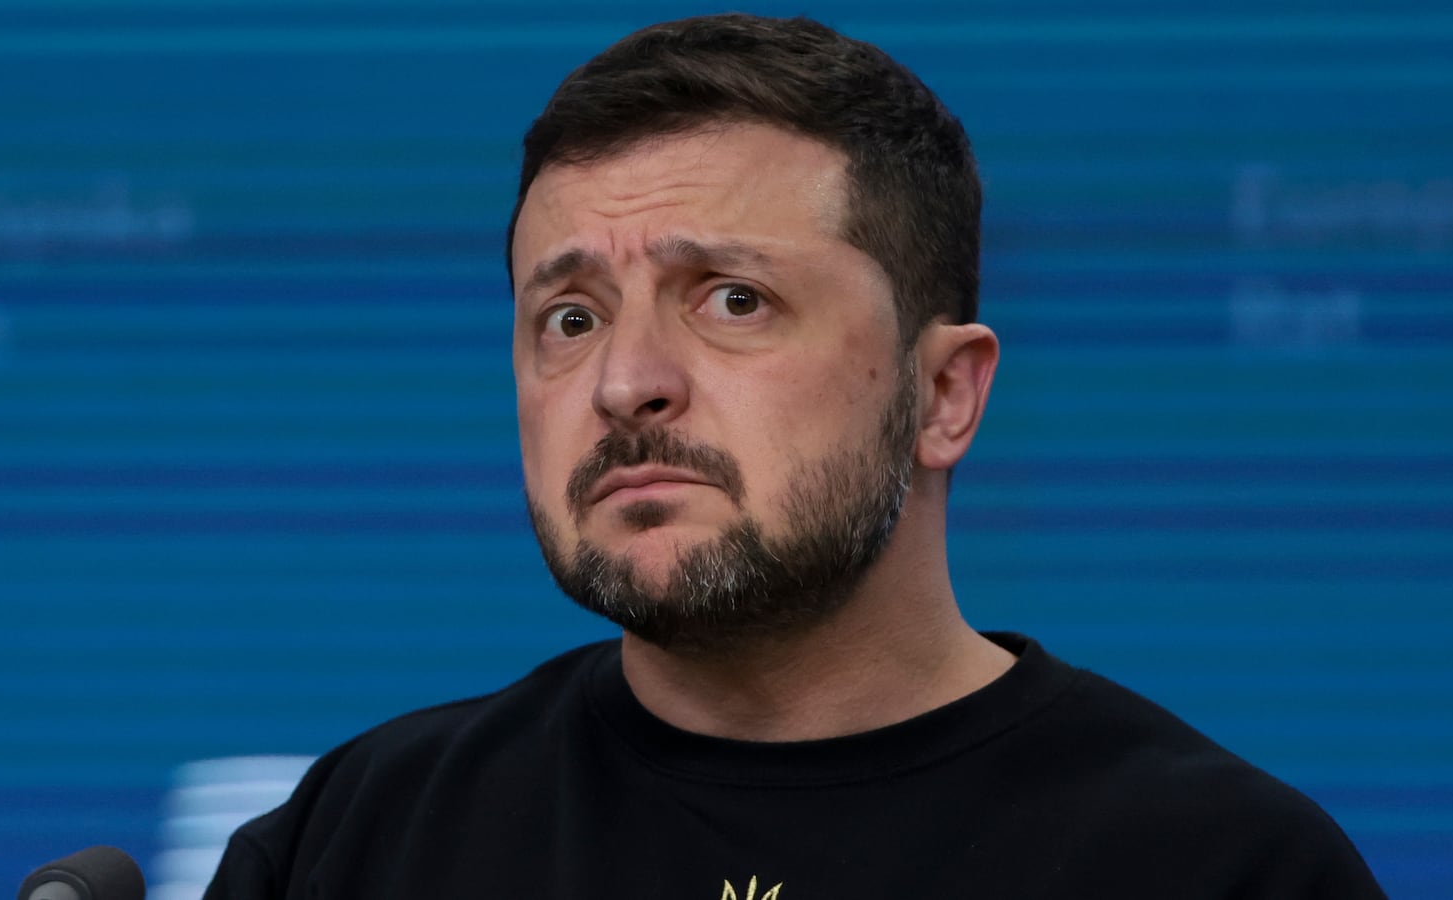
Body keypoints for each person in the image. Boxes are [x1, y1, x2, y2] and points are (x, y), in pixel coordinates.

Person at [205, 14, 1385, 899]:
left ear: (942, 394)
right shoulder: (360, 842)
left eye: (730, 300)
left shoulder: (1220, 869)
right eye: (569, 319)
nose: (625, 383)